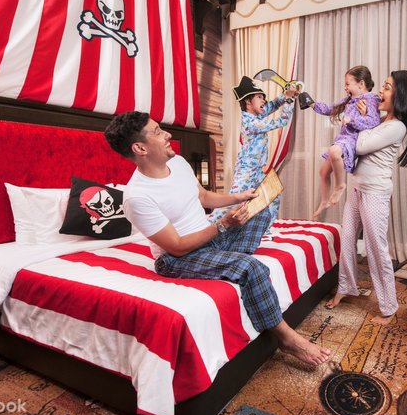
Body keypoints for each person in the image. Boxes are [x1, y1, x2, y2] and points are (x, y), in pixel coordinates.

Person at [104, 111, 331, 366]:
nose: (167, 134)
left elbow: (203, 197)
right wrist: (223, 225)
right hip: (178, 258)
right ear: (140, 148)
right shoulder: (137, 197)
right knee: (251, 267)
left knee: (262, 208)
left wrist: (239, 198)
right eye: (157, 132)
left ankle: (226, 262)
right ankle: (287, 338)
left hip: (209, 239)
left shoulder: (177, 163)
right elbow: (177, 247)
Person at [324, 70, 407, 325]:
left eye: (387, 87)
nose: (380, 92)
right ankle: (347, 287)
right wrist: (360, 119)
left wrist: (359, 120)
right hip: (356, 187)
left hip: (375, 192)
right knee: (347, 239)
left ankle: (388, 306)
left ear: (400, 95)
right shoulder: (381, 120)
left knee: (376, 248)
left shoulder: (397, 126)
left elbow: (359, 145)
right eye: (382, 86)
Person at [209, 76, 298, 231]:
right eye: (259, 97)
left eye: (263, 97)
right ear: (248, 102)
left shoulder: (256, 116)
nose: (264, 100)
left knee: (273, 195)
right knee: (232, 201)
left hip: (257, 170)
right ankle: (207, 225)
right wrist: (289, 100)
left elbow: (272, 105)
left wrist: (285, 96)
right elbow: (282, 121)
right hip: (246, 170)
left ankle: (263, 230)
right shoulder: (251, 122)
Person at [311, 65, 380, 218]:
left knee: (334, 151)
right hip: (342, 139)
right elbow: (330, 109)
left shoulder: (372, 99)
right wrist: (312, 104)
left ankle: (340, 185)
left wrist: (351, 120)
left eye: (348, 84)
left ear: (361, 84)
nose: (345, 87)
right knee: (323, 172)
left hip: (353, 139)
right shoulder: (349, 99)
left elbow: (373, 122)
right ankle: (324, 201)